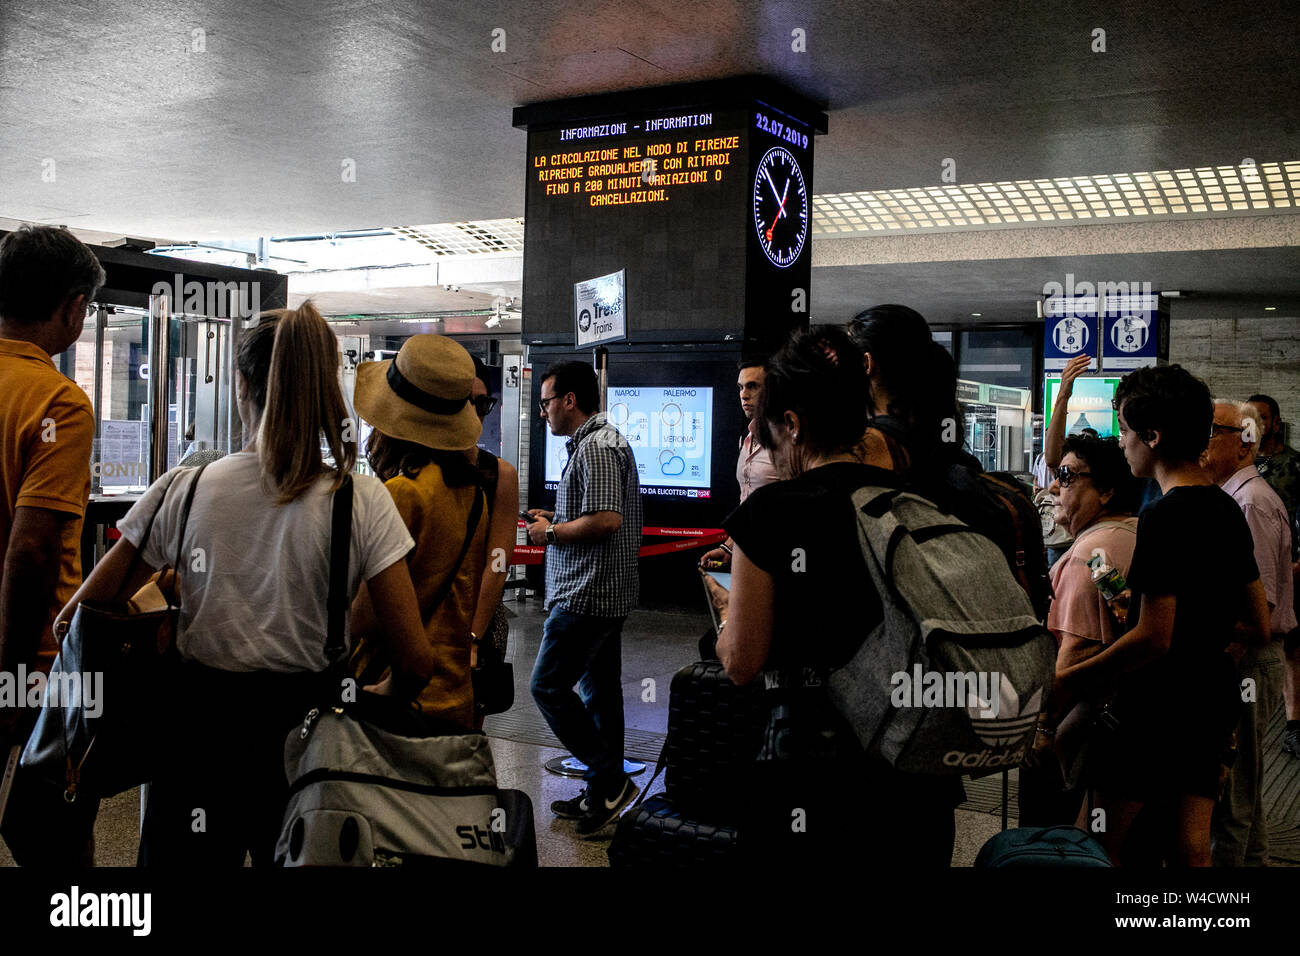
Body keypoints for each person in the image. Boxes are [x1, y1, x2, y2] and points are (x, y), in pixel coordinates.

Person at [56, 303, 438, 866]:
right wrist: (371, 700)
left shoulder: (181, 491)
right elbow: (415, 663)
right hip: (307, 750)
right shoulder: (360, 500)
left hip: (194, 743)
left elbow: (78, 617)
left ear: (241, 385)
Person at [718, 325, 963, 866]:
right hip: (918, 775)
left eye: (771, 437)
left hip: (814, 770)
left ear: (794, 425)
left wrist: (727, 617)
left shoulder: (770, 513)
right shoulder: (916, 499)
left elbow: (741, 662)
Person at [1051, 365, 1270, 866]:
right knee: (1191, 846)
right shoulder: (1225, 508)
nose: (1122, 443)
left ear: (1152, 436)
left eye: (1125, 431)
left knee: (1097, 842)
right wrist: (1190, 622)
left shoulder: (1163, 515)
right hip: (1211, 698)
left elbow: (1154, 638)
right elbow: (1257, 623)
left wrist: (1068, 679)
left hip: (1154, 705)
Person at [0, 225, 104, 866]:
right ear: (71, 310)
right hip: (34, 671)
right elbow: (32, 554)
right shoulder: (58, 403)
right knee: (58, 849)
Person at [349, 335, 491, 730]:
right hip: (454, 694)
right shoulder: (472, 492)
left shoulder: (403, 493)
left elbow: (364, 617)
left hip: (394, 697)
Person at [527, 360, 643, 835]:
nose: (543, 413)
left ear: (569, 400)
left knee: (547, 687)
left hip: (587, 593)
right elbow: (596, 511)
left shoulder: (595, 447)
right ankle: (603, 792)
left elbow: (607, 520)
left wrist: (549, 531)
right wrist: (558, 514)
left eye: (546, 402)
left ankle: (609, 777)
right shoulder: (601, 442)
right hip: (604, 590)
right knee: (601, 694)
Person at [1022, 435, 1140, 826]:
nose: (1055, 487)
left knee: (1050, 835)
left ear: (1105, 491)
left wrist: (1042, 725)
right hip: (1127, 719)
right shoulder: (1135, 534)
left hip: (1080, 723)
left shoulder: (1087, 557)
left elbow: (1075, 650)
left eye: (1068, 476)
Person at [1201, 400, 1294, 865]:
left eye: (1211, 430)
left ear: (1244, 443)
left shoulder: (1250, 503)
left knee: (1234, 794)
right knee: (1248, 796)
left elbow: (1260, 608)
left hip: (1249, 660)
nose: (1202, 441)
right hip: (1250, 659)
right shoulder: (1237, 497)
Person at [1245, 393, 1300, 758]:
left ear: (1276, 422)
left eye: (1263, 419)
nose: (1258, 427)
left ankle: (1294, 723)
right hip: (1255, 572)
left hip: (1290, 568)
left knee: (1292, 645)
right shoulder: (1246, 466)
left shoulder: (1293, 466)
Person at [467, 356, 521, 729]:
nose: (475, 414)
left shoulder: (497, 474)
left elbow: (498, 560)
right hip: (413, 620)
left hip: (479, 619)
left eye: (483, 404)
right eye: (464, 402)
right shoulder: (402, 470)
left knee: (467, 729)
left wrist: (473, 635)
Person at [700, 357, 779, 572]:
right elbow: (746, 505)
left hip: (778, 555)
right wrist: (729, 547)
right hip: (747, 553)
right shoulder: (746, 437)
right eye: (741, 387)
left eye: (753, 386)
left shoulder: (789, 443)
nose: (744, 394)